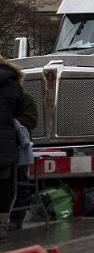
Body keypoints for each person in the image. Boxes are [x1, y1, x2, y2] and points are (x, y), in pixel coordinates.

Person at [0, 57, 25, 240]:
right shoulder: (13, 83)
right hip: (5, 142)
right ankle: (3, 224)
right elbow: (18, 112)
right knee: (3, 185)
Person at [8, 88, 37, 231]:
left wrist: (10, 123)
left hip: (19, 147)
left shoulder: (25, 98)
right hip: (7, 146)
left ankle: (16, 219)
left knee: (20, 183)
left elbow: (31, 121)